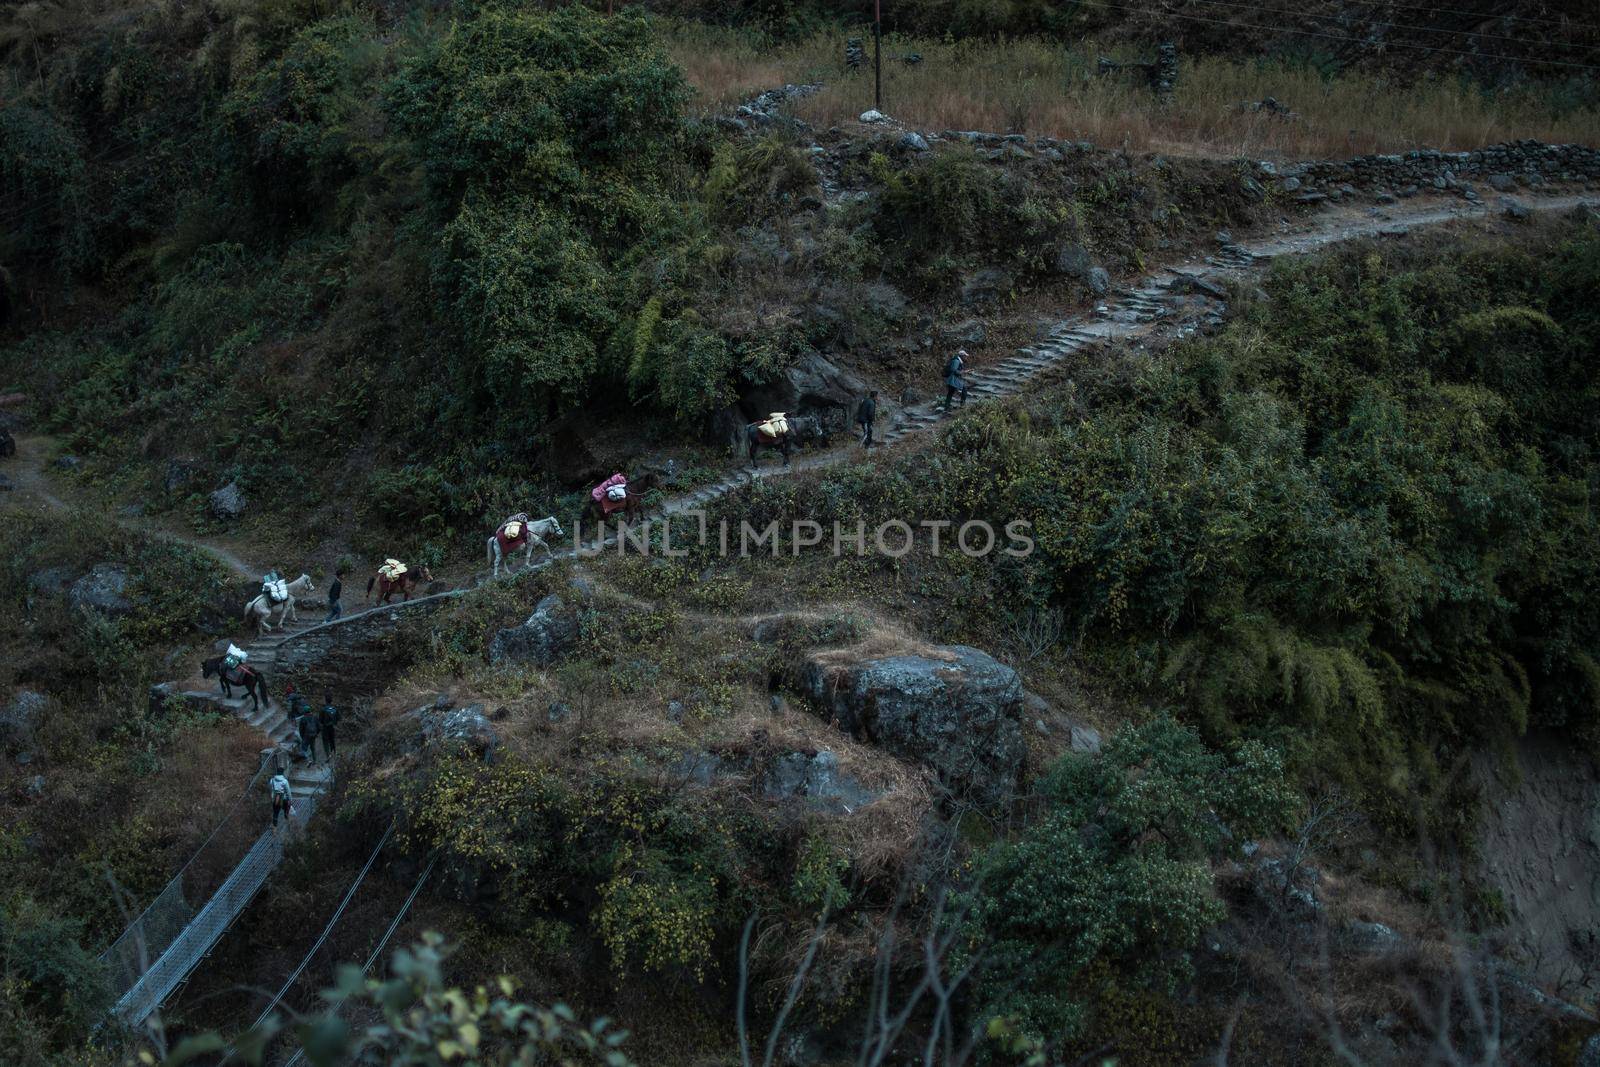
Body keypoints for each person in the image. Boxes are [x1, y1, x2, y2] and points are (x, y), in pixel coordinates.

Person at [318, 694, 339, 760]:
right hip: (332, 727)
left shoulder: (323, 709)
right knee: (332, 740)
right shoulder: (335, 709)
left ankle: (328, 755)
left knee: (325, 741)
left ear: (326, 701)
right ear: (331, 701)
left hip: (325, 728)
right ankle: (335, 753)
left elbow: (320, 720)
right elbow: (338, 718)